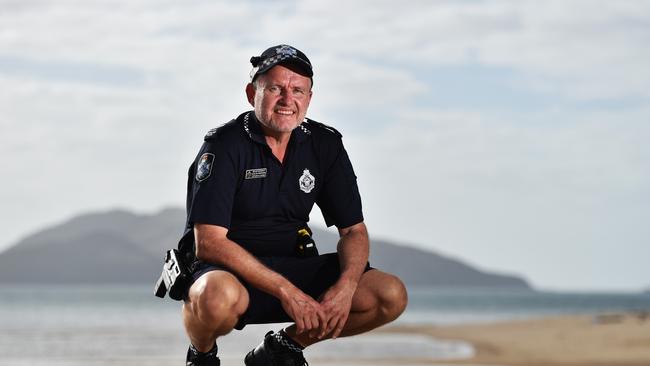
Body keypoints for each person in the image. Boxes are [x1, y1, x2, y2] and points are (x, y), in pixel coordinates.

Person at [179, 44, 408, 366]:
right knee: (216, 300)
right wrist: (289, 293)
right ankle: (201, 354)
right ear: (251, 93)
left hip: (292, 262)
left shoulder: (324, 143)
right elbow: (210, 243)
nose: (288, 100)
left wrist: (345, 287)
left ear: (309, 98)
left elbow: (354, 230)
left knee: (389, 295)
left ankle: (280, 350)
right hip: (230, 271)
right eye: (275, 88)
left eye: (298, 90)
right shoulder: (224, 144)